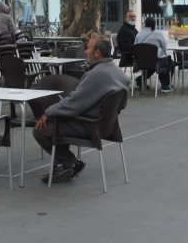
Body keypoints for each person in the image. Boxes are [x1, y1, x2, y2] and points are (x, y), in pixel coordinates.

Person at [33, 35, 129, 183]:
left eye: (88, 48)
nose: (85, 52)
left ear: (97, 53)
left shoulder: (96, 74)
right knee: (60, 118)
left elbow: (73, 104)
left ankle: (69, 162)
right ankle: (66, 165)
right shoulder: (119, 73)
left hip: (90, 125)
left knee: (41, 129)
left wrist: (48, 112)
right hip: (108, 125)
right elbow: (121, 104)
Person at [134, 17, 174, 93]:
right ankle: (165, 85)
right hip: (155, 61)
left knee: (151, 64)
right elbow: (164, 48)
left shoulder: (139, 34)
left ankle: (141, 79)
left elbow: (135, 47)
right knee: (169, 62)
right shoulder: (158, 34)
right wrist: (164, 54)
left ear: (145, 24)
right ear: (155, 24)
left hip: (141, 62)